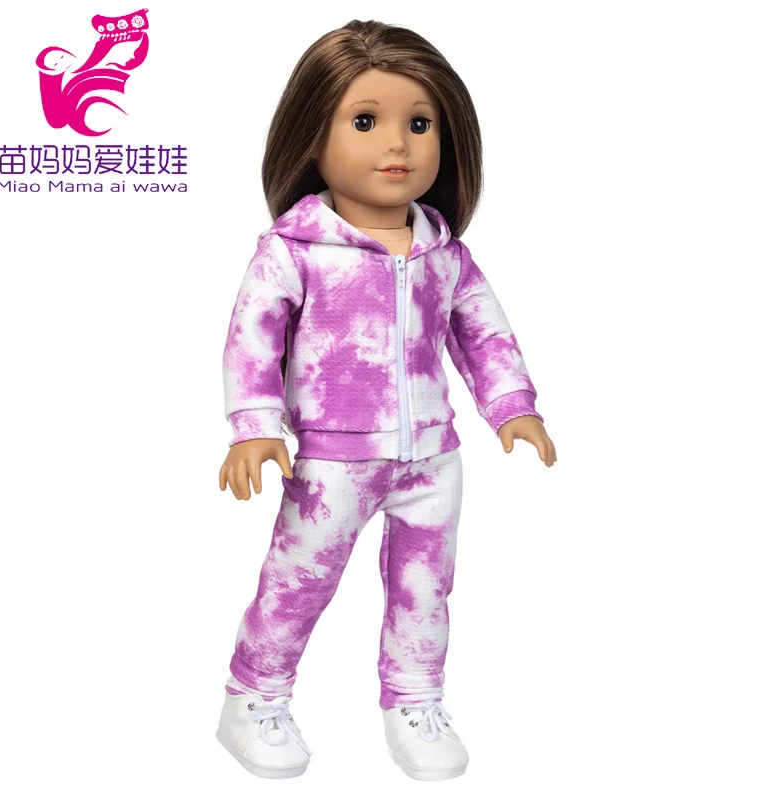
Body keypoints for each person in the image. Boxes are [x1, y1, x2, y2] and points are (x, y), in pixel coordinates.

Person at [214, 18, 557, 782]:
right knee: (298, 582)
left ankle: (414, 700)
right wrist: (254, 427)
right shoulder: (294, 251)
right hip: (332, 462)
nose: (396, 144)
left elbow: (483, 331)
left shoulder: (444, 252)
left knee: (425, 589)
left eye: (419, 123)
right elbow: (251, 339)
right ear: (312, 135)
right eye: (365, 121)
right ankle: (254, 694)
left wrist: (513, 406)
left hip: (432, 456)